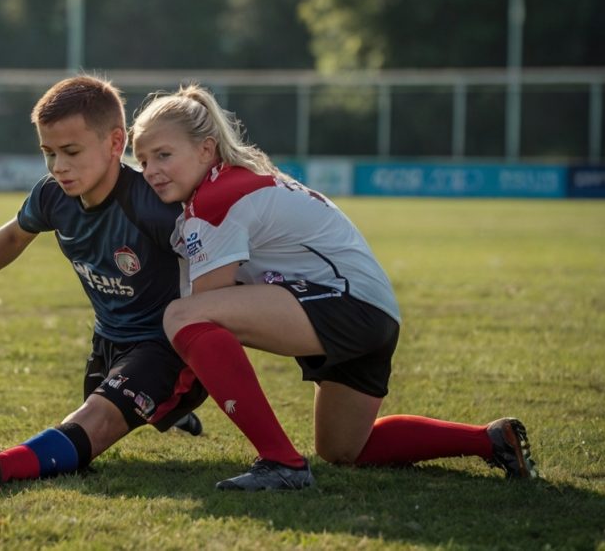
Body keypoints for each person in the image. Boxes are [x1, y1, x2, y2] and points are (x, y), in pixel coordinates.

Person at [130, 84, 538, 491]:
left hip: (347, 305)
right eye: (143, 159)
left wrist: (159, 403)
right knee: (345, 449)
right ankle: (490, 440)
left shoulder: (215, 199)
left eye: (164, 155)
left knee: (184, 315)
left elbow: (203, 308)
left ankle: (281, 462)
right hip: (372, 311)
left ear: (206, 149)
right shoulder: (234, 181)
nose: (151, 170)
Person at [0, 76, 206, 494]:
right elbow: (13, 236)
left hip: (164, 345)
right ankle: (164, 409)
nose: (58, 167)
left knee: (96, 420)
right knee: (102, 401)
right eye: (49, 153)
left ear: (114, 144)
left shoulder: (152, 205)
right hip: (108, 340)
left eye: (71, 152)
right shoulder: (52, 196)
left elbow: (217, 259)